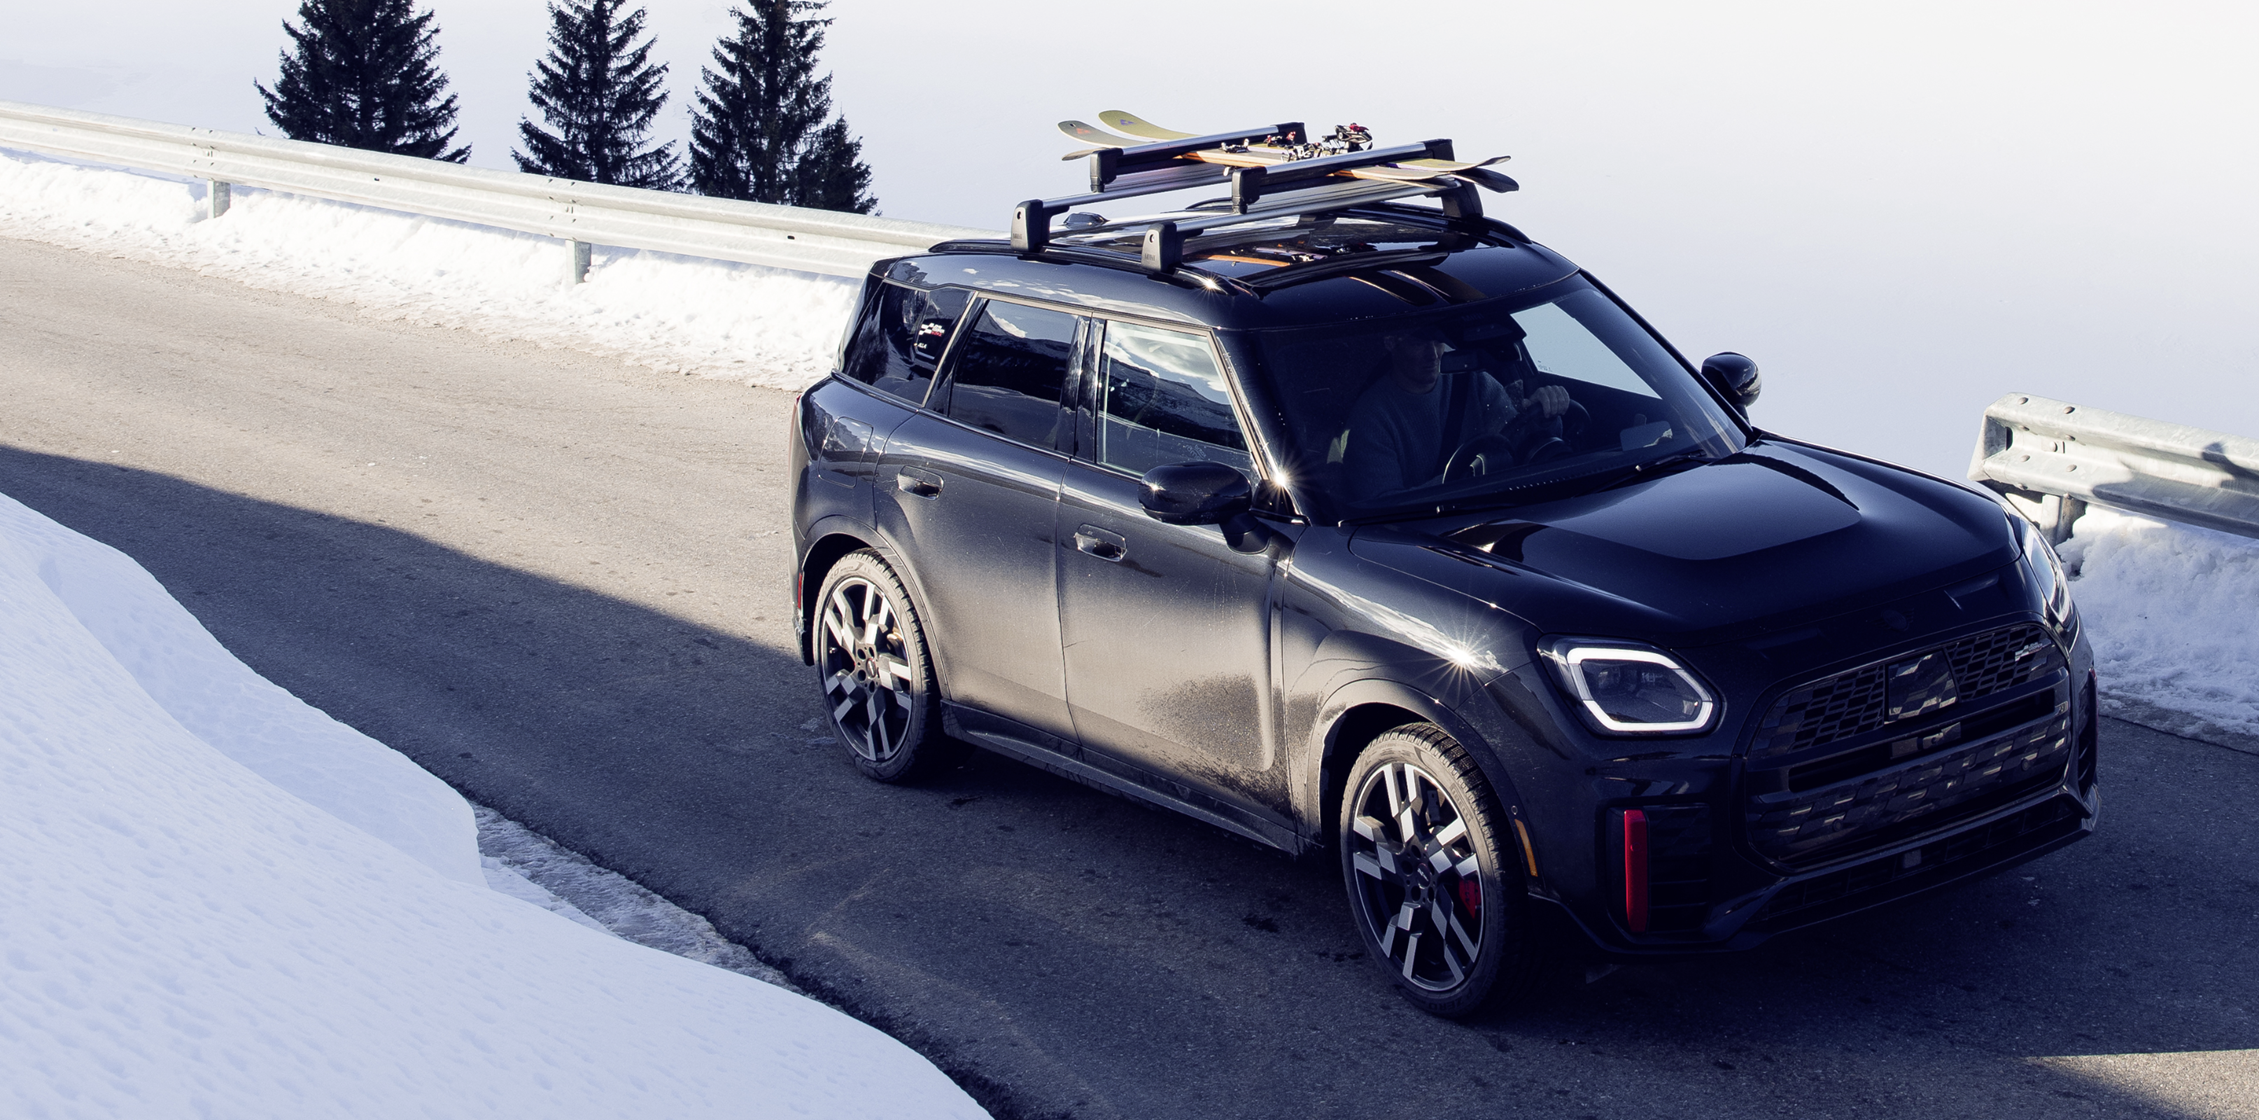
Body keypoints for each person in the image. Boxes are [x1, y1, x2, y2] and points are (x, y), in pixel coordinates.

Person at [1342, 334, 1572, 501]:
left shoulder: (1473, 382)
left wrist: (1545, 417)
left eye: (1438, 341)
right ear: (1391, 343)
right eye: (1419, 342)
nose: (1433, 355)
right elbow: (1385, 507)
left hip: (1497, 509)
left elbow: (1517, 443)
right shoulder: (1370, 419)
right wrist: (1470, 478)